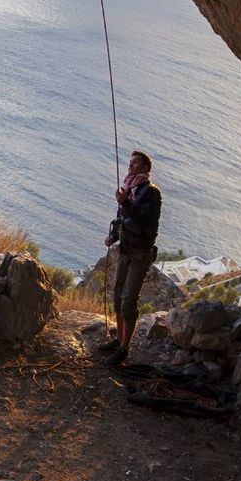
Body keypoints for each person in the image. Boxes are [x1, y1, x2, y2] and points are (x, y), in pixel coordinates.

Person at [99, 150, 162, 364]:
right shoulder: (129, 188)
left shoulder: (152, 193)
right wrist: (112, 237)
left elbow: (143, 220)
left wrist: (125, 203)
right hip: (125, 249)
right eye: (130, 163)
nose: (130, 166)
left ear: (146, 169)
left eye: (136, 164)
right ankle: (118, 339)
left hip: (140, 254)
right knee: (117, 295)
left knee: (128, 301)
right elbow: (121, 219)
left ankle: (125, 349)